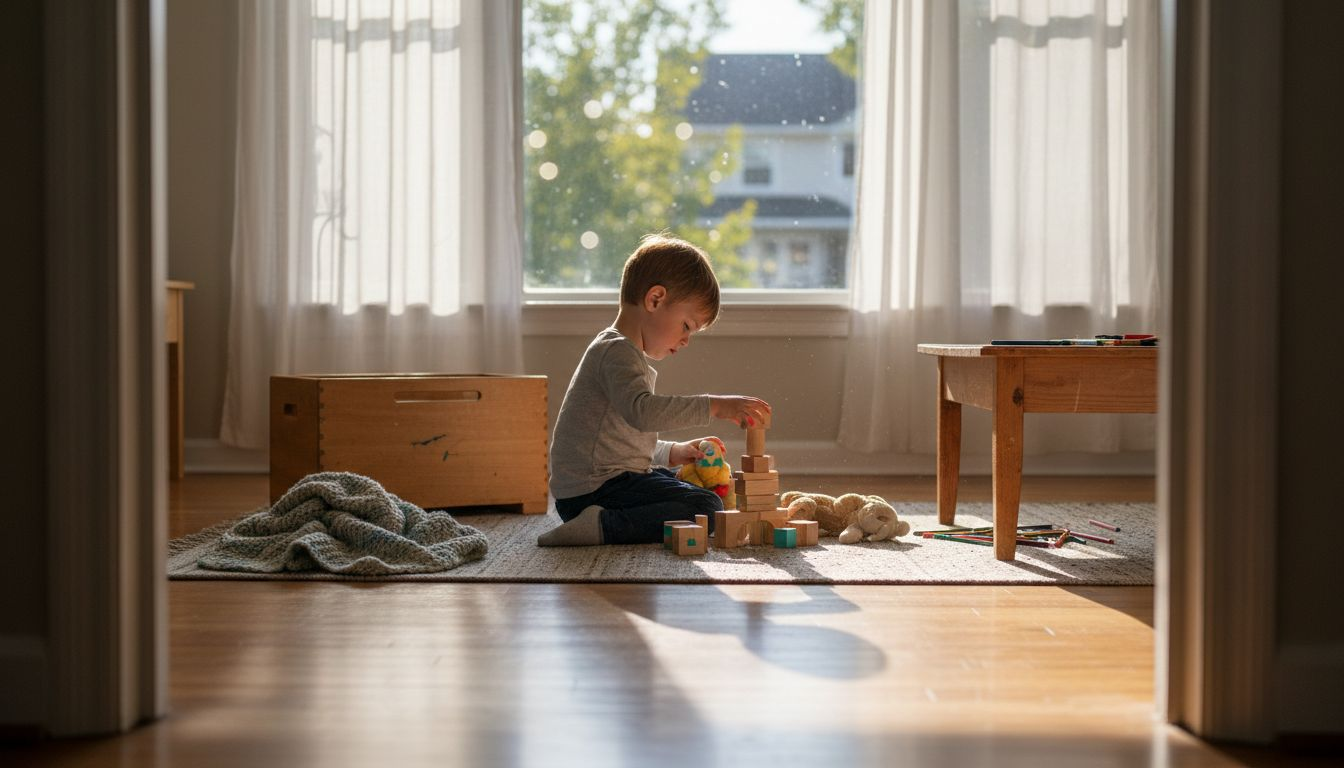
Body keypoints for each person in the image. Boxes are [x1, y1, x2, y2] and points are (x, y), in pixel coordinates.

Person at [537, 234, 771, 546]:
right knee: (705, 506)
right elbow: (643, 414)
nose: (686, 340)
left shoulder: (621, 353)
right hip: (593, 492)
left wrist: (674, 452)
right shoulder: (616, 352)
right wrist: (714, 406)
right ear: (655, 299)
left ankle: (602, 520)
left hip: (599, 485)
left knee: (679, 483)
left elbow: (625, 443)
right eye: (687, 326)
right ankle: (603, 526)